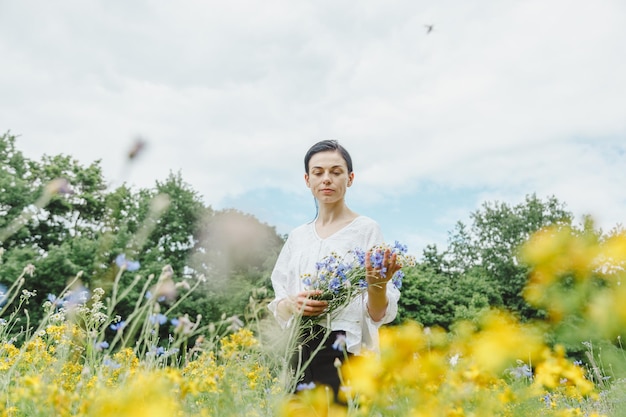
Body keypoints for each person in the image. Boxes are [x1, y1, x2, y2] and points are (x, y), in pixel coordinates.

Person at [267, 139, 401, 401]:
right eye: (318, 172)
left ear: (350, 178)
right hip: (300, 351)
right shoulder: (297, 237)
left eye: (336, 172)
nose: (326, 179)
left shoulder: (366, 230)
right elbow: (278, 303)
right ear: (307, 180)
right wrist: (292, 305)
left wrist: (378, 284)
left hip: (346, 352)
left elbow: (377, 315)